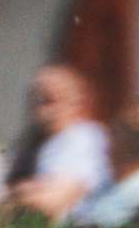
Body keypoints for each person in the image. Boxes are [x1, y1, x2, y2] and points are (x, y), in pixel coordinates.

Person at [7, 63, 112, 218]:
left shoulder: (84, 139)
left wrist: (13, 195)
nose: (39, 110)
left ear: (78, 102)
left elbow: (52, 203)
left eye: (49, 100)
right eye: (34, 100)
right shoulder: (37, 142)